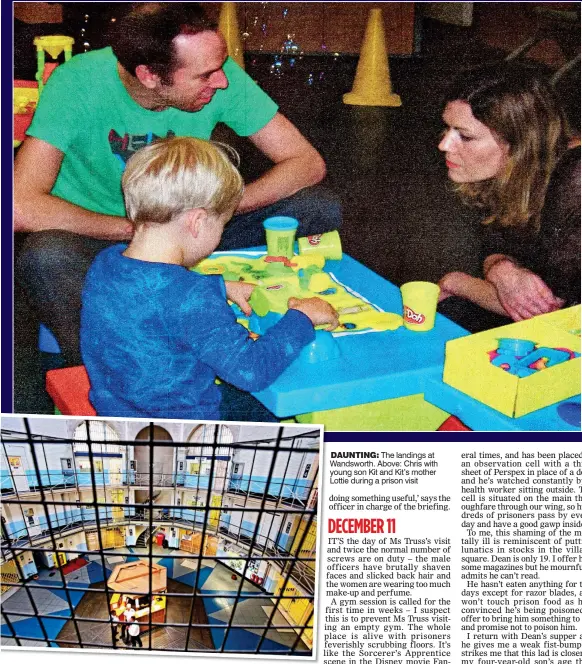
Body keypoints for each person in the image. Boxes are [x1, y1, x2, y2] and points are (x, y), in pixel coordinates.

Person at [14, 2, 341, 366]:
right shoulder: (77, 82)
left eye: (219, 67)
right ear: (150, 76)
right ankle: (114, 370)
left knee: (316, 206)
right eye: (205, 76)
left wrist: (221, 206)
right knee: (46, 256)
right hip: (108, 240)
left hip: (197, 228)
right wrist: (142, 232)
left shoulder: (214, 71)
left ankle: (252, 315)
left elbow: (307, 163)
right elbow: (20, 205)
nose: (222, 81)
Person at [80, 136, 339, 421]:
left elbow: (151, 298)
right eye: (222, 224)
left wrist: (219, 286)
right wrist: (301, 318)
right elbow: (251, 370)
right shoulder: (192, 298)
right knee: (301, 419)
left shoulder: (105, 263)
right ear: (198, 222)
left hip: (118, 410)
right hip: (189, 435)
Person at [436, 62, 580, 332]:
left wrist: (457, 282)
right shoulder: (515, 170)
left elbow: (551, 310)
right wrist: (500, 269)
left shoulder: (576, 181)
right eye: (448, 129)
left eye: (464, 136)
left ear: (518, 144)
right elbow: (496, 241)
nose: (444, 145)